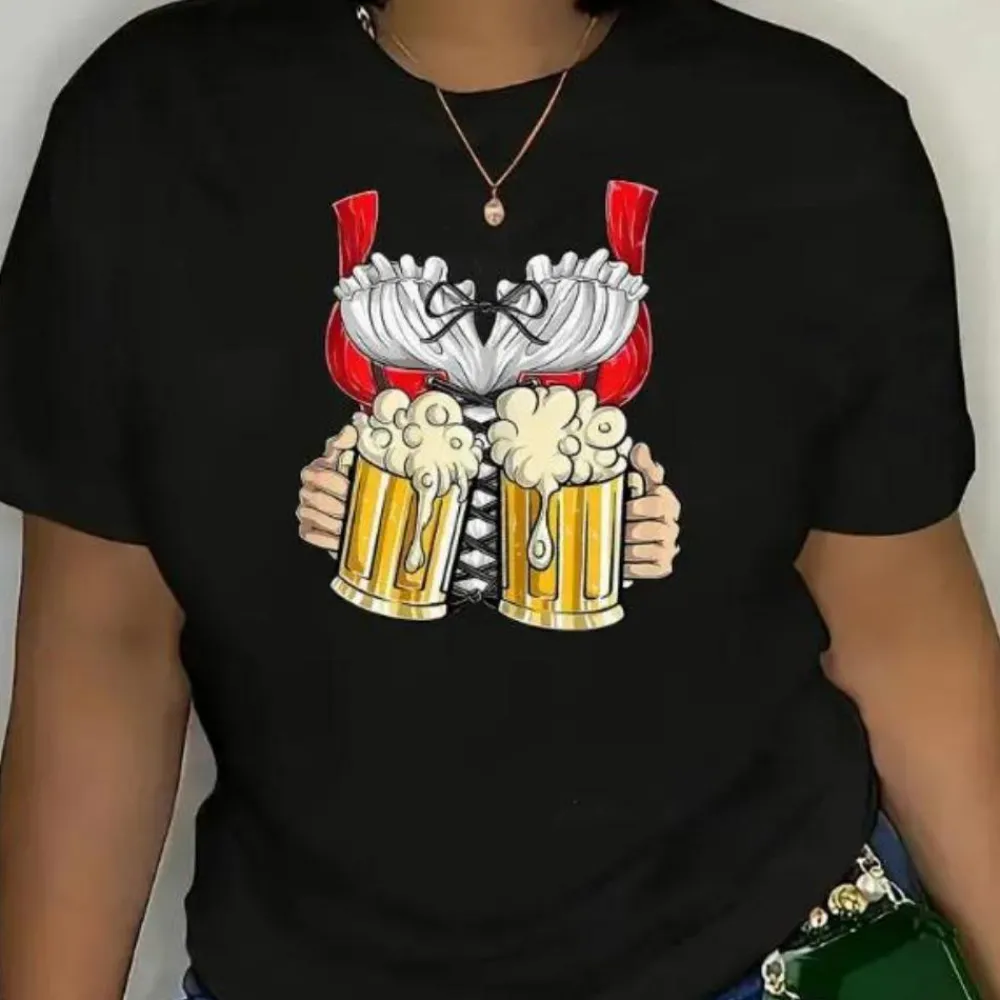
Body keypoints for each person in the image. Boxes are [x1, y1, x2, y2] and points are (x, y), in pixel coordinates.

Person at [0, 0, 997, 998]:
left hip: (764, 957)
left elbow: (900, 629)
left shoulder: (811, 137)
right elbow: (104, 646)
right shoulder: (149, 130)